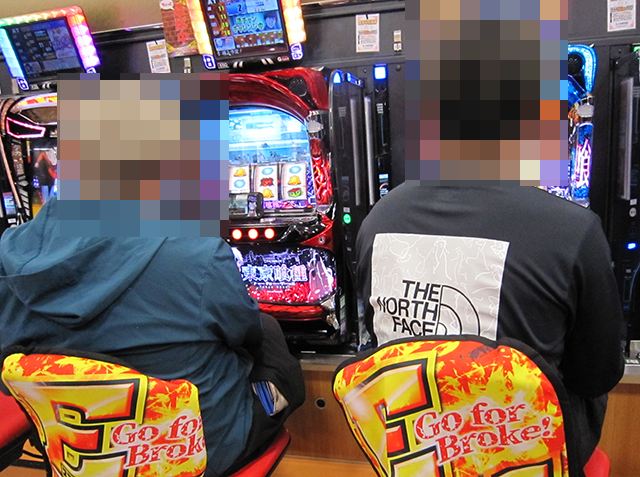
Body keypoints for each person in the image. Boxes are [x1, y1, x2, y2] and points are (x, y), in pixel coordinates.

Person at [0, 196, 305, 477]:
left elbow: (8, 372)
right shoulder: (197, 252)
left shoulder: (10, 252)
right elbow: (246, 335)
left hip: (76, 452)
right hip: (203, 450)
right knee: (268, 331)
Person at [356, 184, 625, 472]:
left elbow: (378, 345)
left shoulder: (379, 217)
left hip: (412, 446)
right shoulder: (573, 227)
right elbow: (598, 376)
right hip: (525, 457)